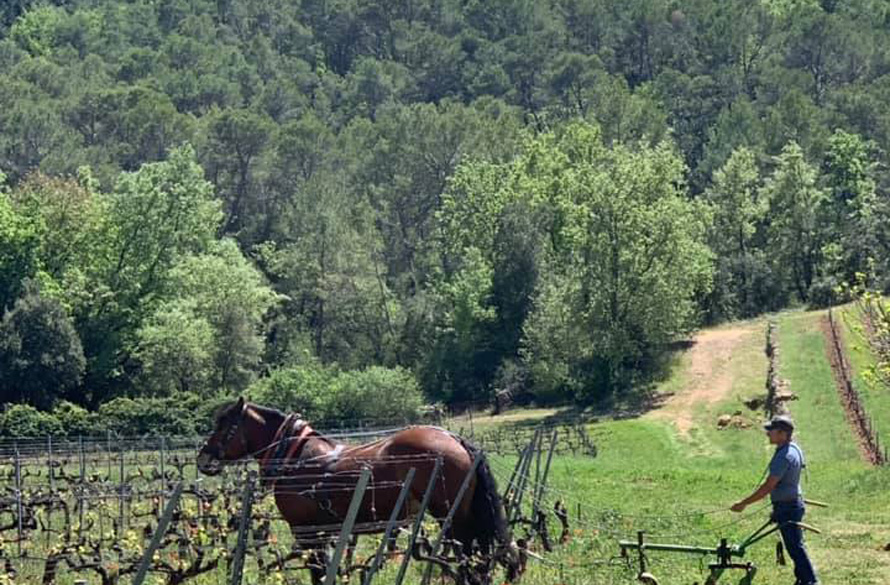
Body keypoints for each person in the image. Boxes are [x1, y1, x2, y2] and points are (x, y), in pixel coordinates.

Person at [730, 414, 818, 585]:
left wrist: (743, 503)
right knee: (795, 546)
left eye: (771, 430)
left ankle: (811, 582)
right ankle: (803, 579)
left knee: (795, 548)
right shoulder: (793, 448)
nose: (768, 433)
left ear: (783, 433)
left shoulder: (784, 455)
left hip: (788, 507)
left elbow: (768, 487)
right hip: (790, 504)